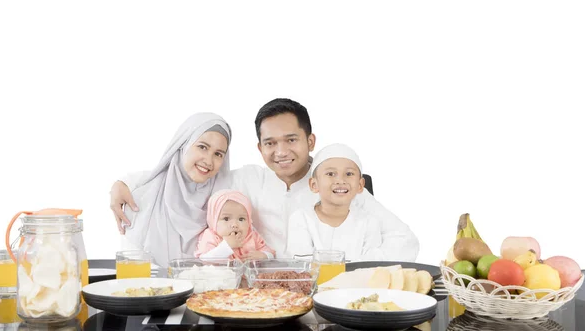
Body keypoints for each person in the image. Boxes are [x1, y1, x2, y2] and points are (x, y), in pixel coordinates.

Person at [110, 98, 420, 261]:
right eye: (270, 143)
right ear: (260, 148)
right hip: (257, 295)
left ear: (310, 141)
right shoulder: (245, 180)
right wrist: (125, 182)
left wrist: (352, 265)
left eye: (291, 140)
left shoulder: (337, 185)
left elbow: (406, 241)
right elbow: (193, 175)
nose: (281, 152)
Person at [119, 112, 232, 267]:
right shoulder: (141, 197)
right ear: (183, 144)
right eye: (202, 147)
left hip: (212, 291)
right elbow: (131, 270)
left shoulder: (225, 204)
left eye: (218, 154)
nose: (208, 161)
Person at [287, 143, 385, 261]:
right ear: (314, 185)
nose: (340, 180)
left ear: (360, 185)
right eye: (330, 174)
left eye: (349, 174)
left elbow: (370, 266)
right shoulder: (301, 218)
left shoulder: (369, 222)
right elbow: (301, 265)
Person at [194, 189, 275, 261]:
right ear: (213, 220)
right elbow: (204, 260)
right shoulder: (211, 237)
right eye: (226, 219)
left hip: (248, 276)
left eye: (241, 219)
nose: (235, 225)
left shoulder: (252, 236)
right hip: (222, 277)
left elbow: (270, 253)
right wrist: (226, 246)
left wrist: (264, 255)